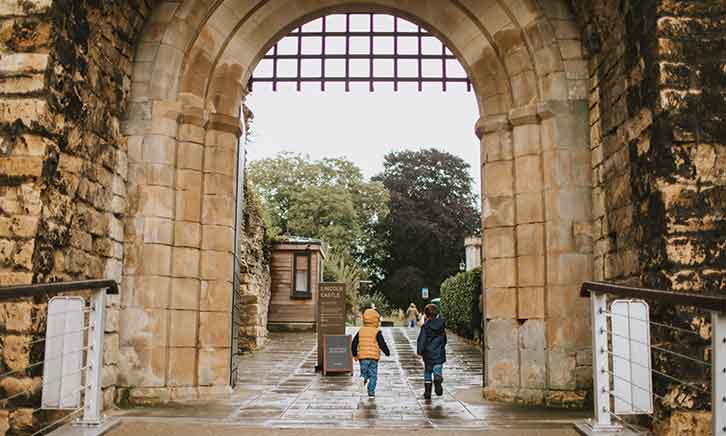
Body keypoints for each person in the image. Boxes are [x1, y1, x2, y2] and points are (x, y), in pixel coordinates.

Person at [351, 308, 391, 398]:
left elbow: (354, 343)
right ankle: (371, 392)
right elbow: (382, 343)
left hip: (363, 357)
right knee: (373, 375)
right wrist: (387, 352)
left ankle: (363, 379)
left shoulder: (360, 331)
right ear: (375, 320)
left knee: (364, 372)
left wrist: (355, 354)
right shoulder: (377, 332)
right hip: (373, 358)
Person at [416, 303, 447, 400]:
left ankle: (427, 392)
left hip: (428, 354)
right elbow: (444, 339)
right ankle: (437, 381)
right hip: (439, 353)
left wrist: (419, 351)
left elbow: (422, 339)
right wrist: (442, 346)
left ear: (426, 314)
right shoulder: (441, 326)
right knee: (437, 369)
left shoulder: (425, 326)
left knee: (428, 372)